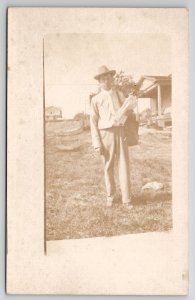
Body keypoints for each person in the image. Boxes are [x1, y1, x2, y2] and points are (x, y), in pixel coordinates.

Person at [90, 65, 134, 208]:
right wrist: (97, 143)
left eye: (109, 79)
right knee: (108, 166)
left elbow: (127, 111)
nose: (107, 82)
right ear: (99, 82)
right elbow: (93, 122)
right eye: (103, 80)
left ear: (112, 79)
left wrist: (128, 109)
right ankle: (110, 196)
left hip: (120, 132)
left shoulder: (119, 94)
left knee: (124, 165)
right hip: (105, 134)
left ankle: (127, 199)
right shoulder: (96, 99)